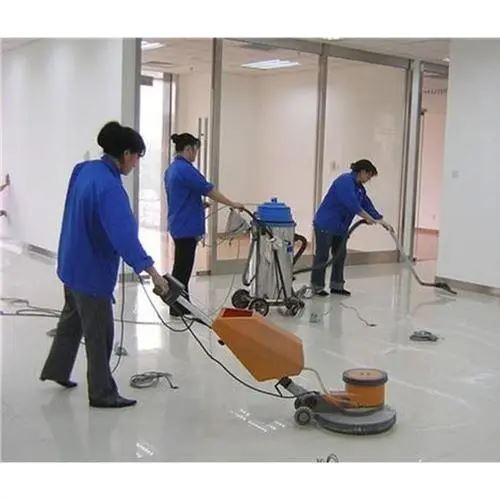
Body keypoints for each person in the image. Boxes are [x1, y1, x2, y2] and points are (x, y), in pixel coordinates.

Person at [40, 121, 170, 408]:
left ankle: (57, 370)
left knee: (71, 322)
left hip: (71, 263)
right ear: (126, 154)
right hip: (90, 272)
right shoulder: (110, 188)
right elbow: (124, 237)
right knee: (100, 335)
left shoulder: (84, 170)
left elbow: (73, 209)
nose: (136, 164)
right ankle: (102, 393)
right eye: (137, 157)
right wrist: (153, 272)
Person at [164, 133, 244, 317]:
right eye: (195, 150)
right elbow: (209, 190)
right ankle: (178, 307)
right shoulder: (186, 169)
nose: (195, 154)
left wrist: (197, 204)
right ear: (188, 149)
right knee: (182, 269)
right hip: (186, 227)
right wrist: (232, 203)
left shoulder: (172, 169)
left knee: (181, 267)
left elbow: (180, 196)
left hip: (178, 223)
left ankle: (180, 305)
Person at [311, 159, 393, 297]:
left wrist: (381, 220)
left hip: (341, 227)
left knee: (340, 255)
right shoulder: (345, 181)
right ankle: (317, 287)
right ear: (362, 171)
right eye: (369, 175)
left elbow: (366, 204)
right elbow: (352, 204)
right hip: (326, 224)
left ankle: (337, 286)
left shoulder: (359, 188)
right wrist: (366, 217)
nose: (369, 179)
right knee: (322, 256)